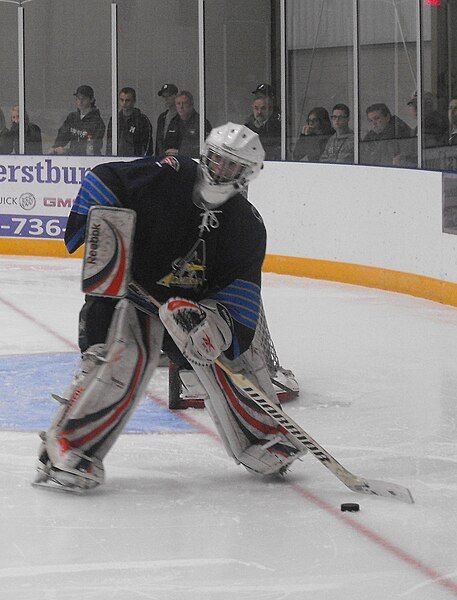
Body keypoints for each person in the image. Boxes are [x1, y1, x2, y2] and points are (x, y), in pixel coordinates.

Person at [34, 122, 305, 492]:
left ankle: (262, 438)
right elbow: (105, 178)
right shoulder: (170, 173)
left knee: (236, 360)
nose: (220, 170)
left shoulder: (246, 224)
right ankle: (67, 446)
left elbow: (241, 295)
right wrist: (95, 227)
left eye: (232, 166)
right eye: (216, 159)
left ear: (247, 175)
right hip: (134, 294)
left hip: (193, 308)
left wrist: (214, 325)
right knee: (126, 358)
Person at [49, 85, 105, 156]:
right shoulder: (72, 117)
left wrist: (67, 151)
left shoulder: (97, 122)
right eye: (78, 98)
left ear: (91, 100)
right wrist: (55, 147)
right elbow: (63, 135)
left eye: (83, 99)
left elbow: (92, 147)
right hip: (74, 161)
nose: (80, 102)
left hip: (90, 161)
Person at [106, 87, 153, 157]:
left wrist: (143, 161)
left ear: (134, 101)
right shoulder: (114, 119)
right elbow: (109, 142)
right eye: (122, 100)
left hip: (135, 161)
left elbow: (147, 145)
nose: (124, 103)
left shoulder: (142, 120)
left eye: (127, 100)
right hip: (116, 159)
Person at [165, 90, 211, 158]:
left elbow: (207, 148)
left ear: (191, 104)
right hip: (175, 163)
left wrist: (181, 152)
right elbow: (167, 145)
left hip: (194, 163)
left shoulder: (201, 122)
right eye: (178, 103)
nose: (181, 107)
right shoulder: (173, 122)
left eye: (184, 103)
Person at [245, 95, 281, 160]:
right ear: (252, 108)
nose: (259, 112)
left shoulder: (277, 128)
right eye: (256, 108)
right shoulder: (247, 128)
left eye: (263, 108)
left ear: (270, 109)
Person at [155, 83, 178, 156]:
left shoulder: (182, 117)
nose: (166, 99)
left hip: (177, 160)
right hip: (162, 160)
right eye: (164, 96)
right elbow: (158, 142)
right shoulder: (162, 117)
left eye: (169, 96)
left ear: (176, 96)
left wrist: (180, 152)